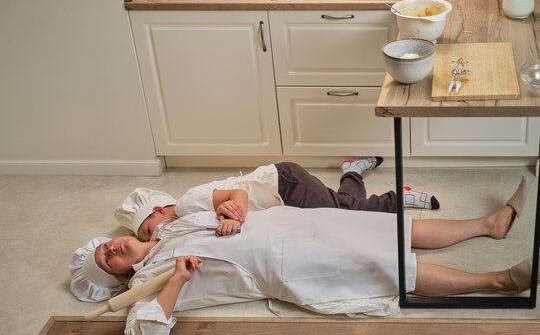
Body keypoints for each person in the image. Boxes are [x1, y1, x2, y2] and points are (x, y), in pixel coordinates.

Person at [69, 176, 530, 335]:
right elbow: (146, 331)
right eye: (108, 259)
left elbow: (234, 198)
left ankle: (490, 224)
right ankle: (500, 282)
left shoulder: (175, 223)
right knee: (384, 266)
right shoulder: (142, 289)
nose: (111, 248)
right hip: (282, 266)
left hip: (289, 224)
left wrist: (233, 210)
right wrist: (175, 283)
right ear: (117, 275)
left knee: (386, 228)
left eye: (106, 244)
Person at [114, 158, 441, 241]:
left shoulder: (185, 204)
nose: (154, 237)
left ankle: (396, 199)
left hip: (283, 184)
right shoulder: (183, 221)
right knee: (341, 207)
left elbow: (238, 193)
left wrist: (232, 215)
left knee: (347, 213)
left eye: (148, 230)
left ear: (158, 210)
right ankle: (352, 172)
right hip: (282, 194)